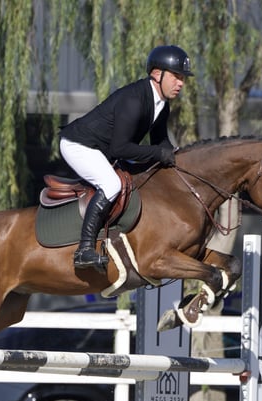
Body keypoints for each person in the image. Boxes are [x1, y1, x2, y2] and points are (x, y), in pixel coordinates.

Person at [59, 45, 194, 272]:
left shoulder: (162, 105)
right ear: (156, 74)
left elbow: (160, 142)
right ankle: (84, 250)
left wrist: (179, 159)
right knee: (111, 184)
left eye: (183, 78)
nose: (181, 83)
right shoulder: (134, 100)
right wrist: (160, 154)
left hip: (104, 150)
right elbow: (121, 148)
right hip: (79, 145)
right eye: (176, 76)